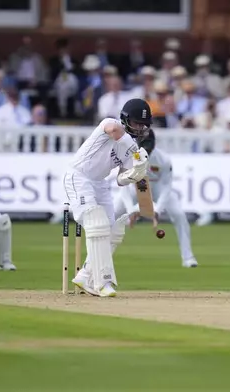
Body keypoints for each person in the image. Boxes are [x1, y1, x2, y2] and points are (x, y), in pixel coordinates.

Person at [63, 98, 151, 297]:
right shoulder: (111, 124)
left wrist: (135, 173)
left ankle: (85, 276)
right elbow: (113, 130)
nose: (140, 128)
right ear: (126, 120)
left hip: (100, 183)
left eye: (143, 125)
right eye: (137, 123)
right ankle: (102, 283)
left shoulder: (131, 150)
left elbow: (120, 179)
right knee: (97, 223)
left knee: (112, 230)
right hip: (79, 177)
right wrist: (136, 153)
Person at [110, 129, 198, 268]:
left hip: (157, 187)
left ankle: (188, 258)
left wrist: (157, 210)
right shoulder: (129, 157)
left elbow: (167, 187)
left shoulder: (164, 160)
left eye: (149, 148)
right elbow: (124, 186)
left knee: (179, 215)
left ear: (154, 144)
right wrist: (130, 210)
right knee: (113, 213)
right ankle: (104, 256)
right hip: (134, 186)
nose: (147, 152)